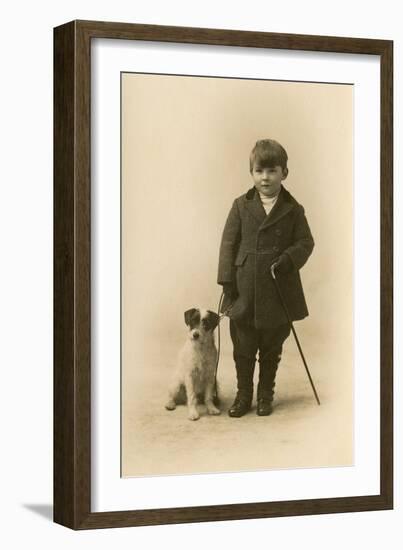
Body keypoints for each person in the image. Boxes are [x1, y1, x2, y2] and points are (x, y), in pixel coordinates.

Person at [217, 139, 314, 417]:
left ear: (285, 172)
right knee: (244, 347)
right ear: (251, 173)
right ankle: (243, 394)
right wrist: (227, 281)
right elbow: (228, 245)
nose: (265, 177)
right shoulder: (240, 206)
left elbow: (306, 242)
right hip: (245, 289)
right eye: (259, 171)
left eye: (272, 171)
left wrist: (287, 260)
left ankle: (265, 395)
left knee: (272, 347)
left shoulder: (293, 209)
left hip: (278, 290)